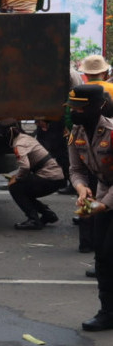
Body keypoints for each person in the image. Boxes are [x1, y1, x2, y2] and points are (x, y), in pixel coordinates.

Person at [66, 84, 113, 331]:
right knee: (103, 256)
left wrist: (103, 205)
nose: (75, 111)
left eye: (80, 107)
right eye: (73, 106)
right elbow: (76, 169)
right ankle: (107, 313)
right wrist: (82, 188)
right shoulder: (76, 131)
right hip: (105, 191)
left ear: (99, 106)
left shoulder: (112, 132)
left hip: (108, 198)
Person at [5, 122, 66, 230]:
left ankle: (33, 220)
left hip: (50, 178)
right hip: (56, 177)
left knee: (15, 187)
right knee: (25, 190)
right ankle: (47, 213)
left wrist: (16, 178)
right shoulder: (25, 138)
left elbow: (25, 167)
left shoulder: (19, 144)